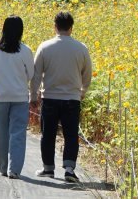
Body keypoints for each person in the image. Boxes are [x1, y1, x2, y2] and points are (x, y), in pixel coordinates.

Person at [30, 11, 92, 183]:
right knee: (71, 135)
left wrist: (33, 95)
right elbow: (88, 74)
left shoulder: (45, 46)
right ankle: (69, 170)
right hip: (72, 98)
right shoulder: (81, 48)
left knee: (47, 134)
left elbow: (36, 74)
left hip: (49, 96)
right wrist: (82, 91)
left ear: (55, 26)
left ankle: (48, 168)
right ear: (71, 28)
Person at [0, 16, 35, 179]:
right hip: (19, 96)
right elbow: (31, 74)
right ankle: (14, 169)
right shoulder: (25, 50)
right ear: (21, 31)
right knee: (18, 132)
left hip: (0, 96)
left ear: (3, 29)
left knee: (2, 131)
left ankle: (2, 167)